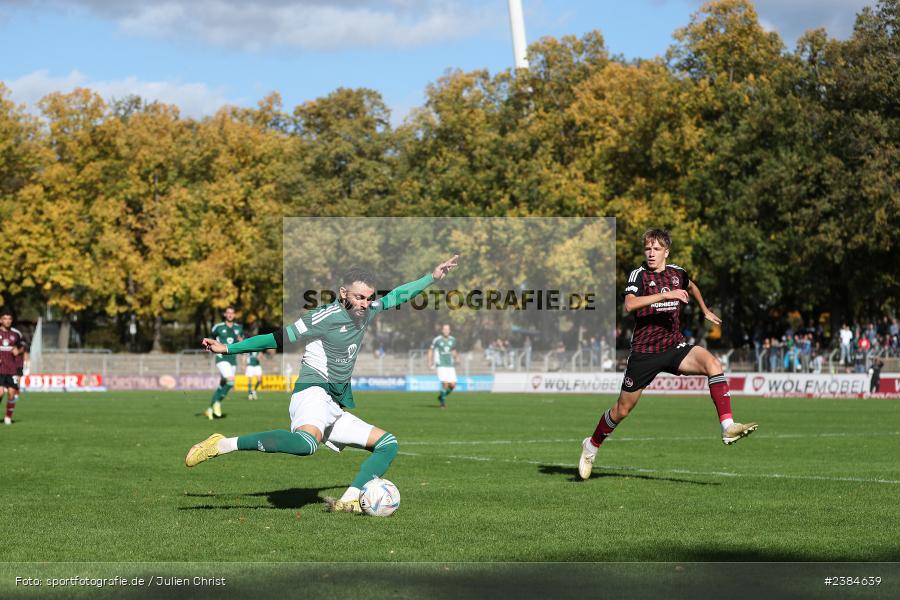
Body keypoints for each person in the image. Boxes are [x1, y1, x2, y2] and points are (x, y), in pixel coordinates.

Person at [185, 255, 459, 514]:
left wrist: (432, 277)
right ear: (343, 294)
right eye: (358, 297)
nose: (365, 304)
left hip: (333, 404)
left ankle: (349, 500)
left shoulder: (369, 311)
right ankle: (222, 444)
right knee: (307, 444)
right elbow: (278, 338)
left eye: (368, 298)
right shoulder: (324, 317)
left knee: (388, 444)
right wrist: (229, 348)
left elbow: (398, 295)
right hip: (312, 391)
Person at [578, 229, 757, 480]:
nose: (651, 253)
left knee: (713, 364)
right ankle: (592, 445)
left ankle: (727, 426)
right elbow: (629, 304)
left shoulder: (677, 273)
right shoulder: (638, 275)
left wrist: (705, 309)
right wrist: (665, 294)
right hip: (644, 353)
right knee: (622, 410)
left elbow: (691, 285)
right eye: (648, 248)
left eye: (656, 249)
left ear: (666, 252)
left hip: (674, 347)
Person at [205, 307, 243, 420]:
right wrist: (209, 346)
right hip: (221, 357)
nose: (230, 315)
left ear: (234, 315)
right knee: (230, 381)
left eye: (232, 313)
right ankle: (217, 403)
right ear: (225, 314)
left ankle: (210, 409)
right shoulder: (218, 327)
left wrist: (241, 342)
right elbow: (210, 338)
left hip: (233, 359)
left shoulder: (238, 328)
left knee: (223, 384)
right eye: (228, 313)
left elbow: (241, 341)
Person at [0, 310, 25, 425]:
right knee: (0, 393)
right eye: (5, 318)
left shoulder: (16, 334)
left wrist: (19, 372)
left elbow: (22, 350)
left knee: (11, 393)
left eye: (9, 319)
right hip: (0, 369)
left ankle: (8, 417)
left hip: (12, 369)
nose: (7, 321)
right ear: (0, 320)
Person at [428, 324, 458, 408]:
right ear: (442, 330)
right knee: (445, 383)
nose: (446, 331)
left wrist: (457, 358)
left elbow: (454, 350)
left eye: (447, 329)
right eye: (445, 329)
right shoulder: (437, 340)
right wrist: (429, 361)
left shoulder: (453, 339)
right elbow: (430, 350)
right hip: (441, 364)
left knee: (452, 385)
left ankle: (441, 396)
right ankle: (442, 403)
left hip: (450, 365)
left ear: (450, 330)